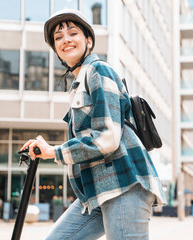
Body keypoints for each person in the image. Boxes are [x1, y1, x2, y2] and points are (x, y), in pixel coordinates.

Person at [20, 9, 166, 240]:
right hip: (96, 191)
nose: (65, 40)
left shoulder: (99, 70)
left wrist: (53, 152)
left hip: (124, 184)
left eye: (72, 33)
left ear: (88, 40)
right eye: (58, 37)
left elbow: (107, 137)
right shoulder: (79, 83)